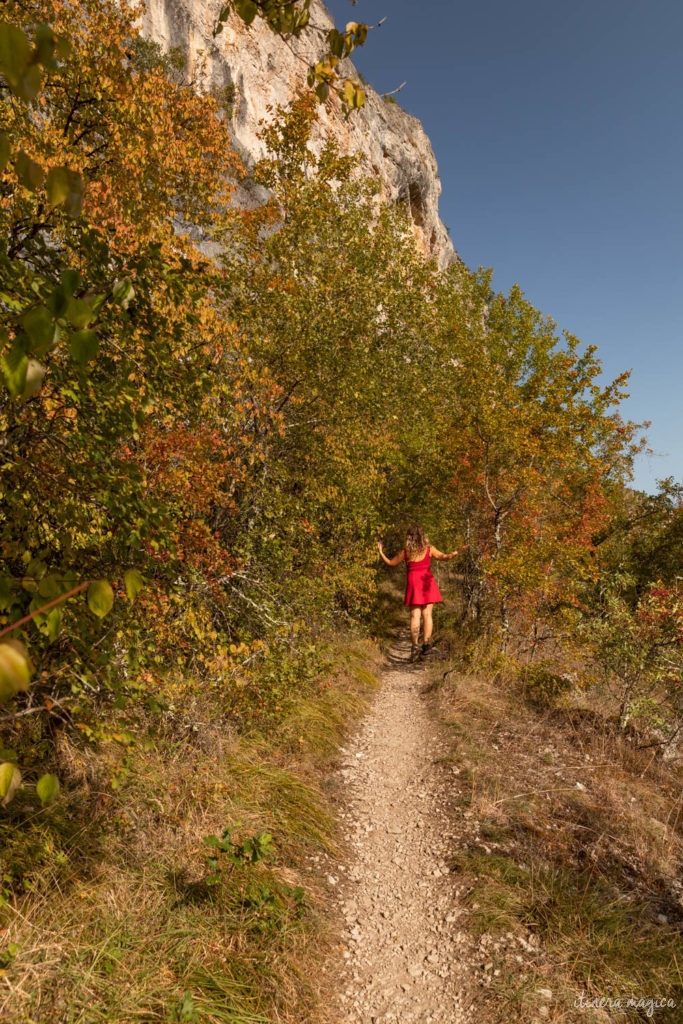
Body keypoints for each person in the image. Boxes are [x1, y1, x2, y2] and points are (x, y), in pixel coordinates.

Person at [378, 524, 465, 661]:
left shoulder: (406, 552)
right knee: (427, 614)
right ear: (423, 536)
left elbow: (390, 563)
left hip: (414, 583)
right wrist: (456, 552)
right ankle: (426, 646)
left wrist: (381, 552)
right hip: (427, 582)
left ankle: (414, 646)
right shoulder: (429, 549)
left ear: (409, 537)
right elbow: (445, 557)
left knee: (414, 616)